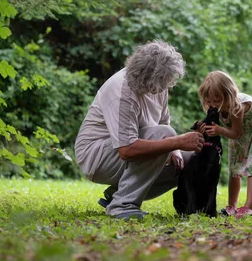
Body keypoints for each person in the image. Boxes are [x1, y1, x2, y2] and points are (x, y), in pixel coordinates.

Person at [74, 41, 205, 219]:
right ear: (150, 75)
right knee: (165, 136)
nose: (168, 85)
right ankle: (123, 206)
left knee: (191, 159)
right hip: (96, 156)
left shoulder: (158, 85)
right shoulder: (122, 91)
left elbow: (163, 121)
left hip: (126, 150)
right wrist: (175, 142)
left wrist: (174, 149)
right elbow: (126, 150)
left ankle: (116, 195)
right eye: (165, 79)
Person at [197, 70, 252, 219]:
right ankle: (232, 206)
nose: (213, 105)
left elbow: (236, 133)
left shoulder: (237, 107)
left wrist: (220, 130)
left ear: (228, 95)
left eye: (217, 100)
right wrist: (203, 127)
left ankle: (248, 207)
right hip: (238, 131)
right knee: (235, 167)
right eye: (209, 101)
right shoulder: (216, 105)